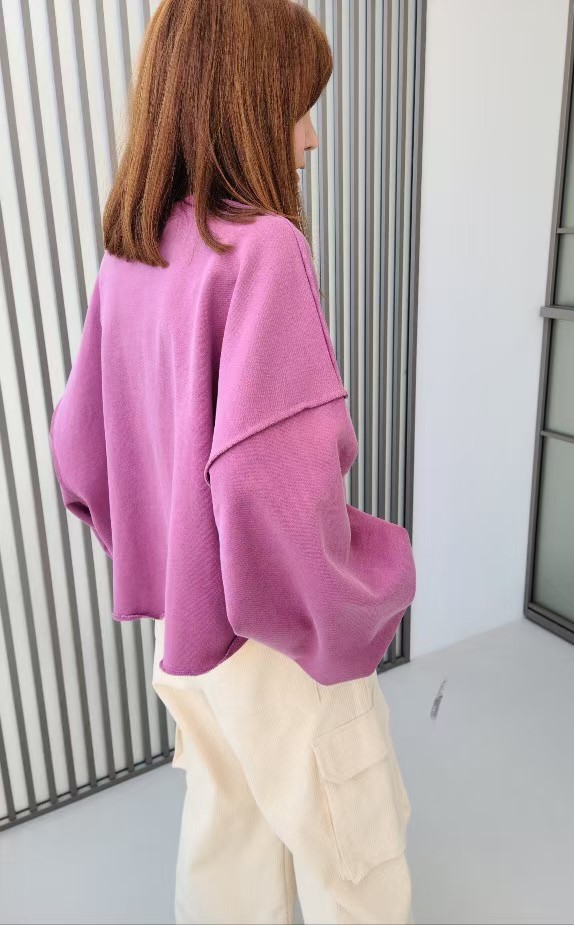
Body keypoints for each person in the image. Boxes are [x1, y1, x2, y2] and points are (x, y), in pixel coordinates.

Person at [48, 0, 416, 922]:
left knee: (228, 836)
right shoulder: (262, 249)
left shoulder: (132, 256)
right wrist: (353, 598)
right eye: (295, 107)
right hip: (273, 633)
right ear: (242, 106)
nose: (311, 137)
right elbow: (268, 486)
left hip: (191, 631)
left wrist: (170, 556)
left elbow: (79, 454)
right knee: (353, 852)